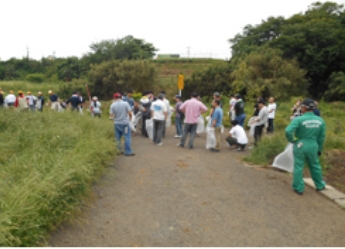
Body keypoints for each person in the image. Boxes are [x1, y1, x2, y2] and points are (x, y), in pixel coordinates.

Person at [285, 99, 326, 195]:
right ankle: (320, 185)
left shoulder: (299, 119)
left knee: (299, 166)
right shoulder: (320, 121)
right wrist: (319, 149)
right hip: (313, 145)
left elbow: (288, 131)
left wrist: (293, 139)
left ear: (303, 108)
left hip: (301, 144)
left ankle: (299, 187)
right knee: (315, 165)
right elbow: (321, 137)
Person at [109, 92, 135, 156]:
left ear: (114, 98)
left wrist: (113, 118)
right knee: (127, 137)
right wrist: (130, 119)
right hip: (125, 124)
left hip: (117, 123)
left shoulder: (112, 105)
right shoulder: (125, 103)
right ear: (121, 97)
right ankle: (128, 152)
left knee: (118, 138)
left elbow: (111, 116)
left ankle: (118, 151)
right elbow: (130, 113)